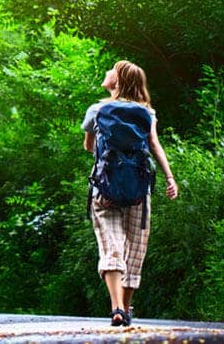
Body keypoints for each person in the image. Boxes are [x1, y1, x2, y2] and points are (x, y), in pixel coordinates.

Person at [82, 60, 179, 327]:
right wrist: (170, 178)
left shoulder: (97, 109)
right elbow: (155, 145)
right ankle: (126, 307)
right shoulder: (147, 112)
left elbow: (88, 147)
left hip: (105, 189)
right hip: (139, 189)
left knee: (111, 247)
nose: (107, 72)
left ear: (118, 80)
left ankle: (116, 307)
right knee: (135, 250)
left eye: (111, 70)